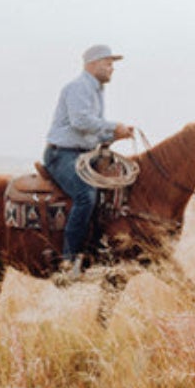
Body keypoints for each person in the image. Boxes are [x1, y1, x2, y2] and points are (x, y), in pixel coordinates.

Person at [43, 43, 135, 278]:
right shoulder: (78, 87)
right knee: (86, 195)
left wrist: (114, 135)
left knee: (113, 194)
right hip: (62, 154)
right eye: (108, 63)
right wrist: (114, 126)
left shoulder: (95, 91)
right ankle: (69, 259)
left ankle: (97, 248)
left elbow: (92, 132)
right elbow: (80, 121)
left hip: (82, 154)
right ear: (93, 64)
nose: (112, 68)